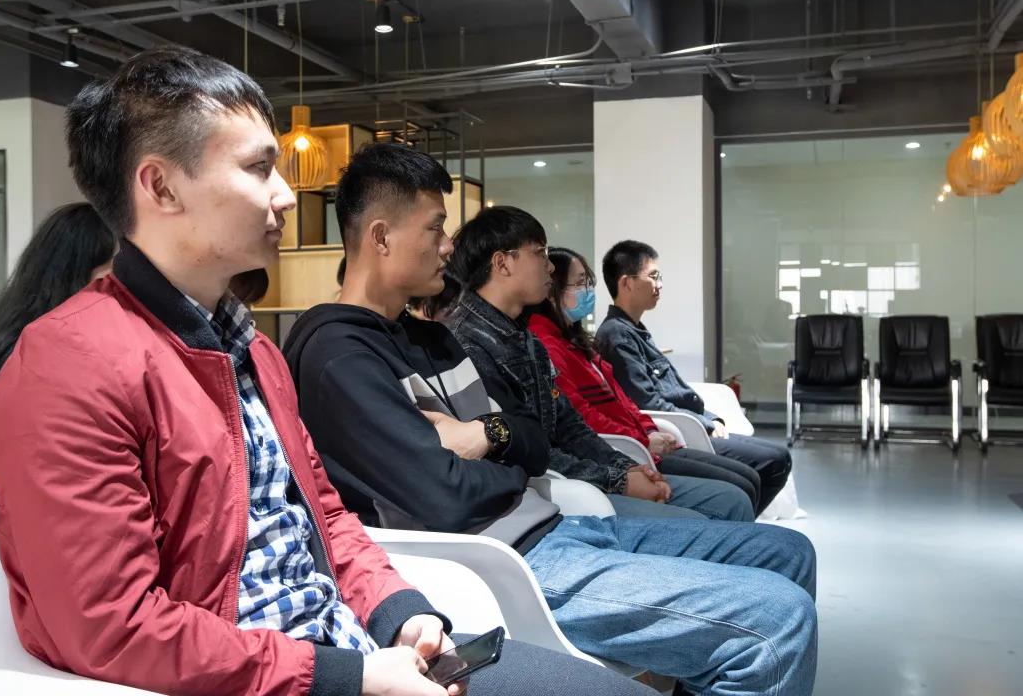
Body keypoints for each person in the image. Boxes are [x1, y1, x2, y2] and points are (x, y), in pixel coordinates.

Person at [0, 46, 657, 696]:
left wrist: (398, 613)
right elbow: (112, 627)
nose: (283, 194)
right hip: (268, 674)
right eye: (257, 168)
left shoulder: (251, 350)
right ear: (161, 186)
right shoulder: (65, 366)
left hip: (343, 645)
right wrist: (344, 677)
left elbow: (323, 514)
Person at [284, 143, 818, 696]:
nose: (448, 246)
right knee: (778, 621)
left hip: (557, 522)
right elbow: (446, 496)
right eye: (435, 228)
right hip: (510, 562)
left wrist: (486, 436)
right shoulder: (338, 355)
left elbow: (533, 441)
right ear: (381, 237)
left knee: (788, 551)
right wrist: (503, 453)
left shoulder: (433, 339)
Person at [444, 208, 752, 523]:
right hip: (548, 495)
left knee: (731, 499)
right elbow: (524, 455)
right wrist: (617, 479)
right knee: (718, 509)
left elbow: (570, 425)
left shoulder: (524, 338)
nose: (550, 266)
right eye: (539, 253)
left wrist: (627, 468)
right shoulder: (468, 344)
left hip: (584, 476)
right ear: (502, 263)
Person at [528, 246, 762, 512]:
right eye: (580, 283)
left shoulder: (577, 342)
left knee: (745, 484)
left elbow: (623, 401)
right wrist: (642, 439)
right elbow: (583, 418)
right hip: (626, 451)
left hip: (641, 444)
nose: (589, 291)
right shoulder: (550, 345)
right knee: (738, 492)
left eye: (588, 283)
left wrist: (648, 430)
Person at [597, 240, 793, 513]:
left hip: (695, 424)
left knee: (777, 457)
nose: (660, 285)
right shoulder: (616, 335)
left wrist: (710, 418)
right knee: (772, 462)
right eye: (653, 276)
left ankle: (738, 520)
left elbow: (673, 390)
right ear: (627, 283)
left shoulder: (634, 330)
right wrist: (704, 424)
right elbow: (648, 402)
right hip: (682, 432)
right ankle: (736, 522)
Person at [0, 202, 115, 501]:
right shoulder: (37, 351)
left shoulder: (18, 329)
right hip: (27, 505)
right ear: (76, 275)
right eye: (113, 276)